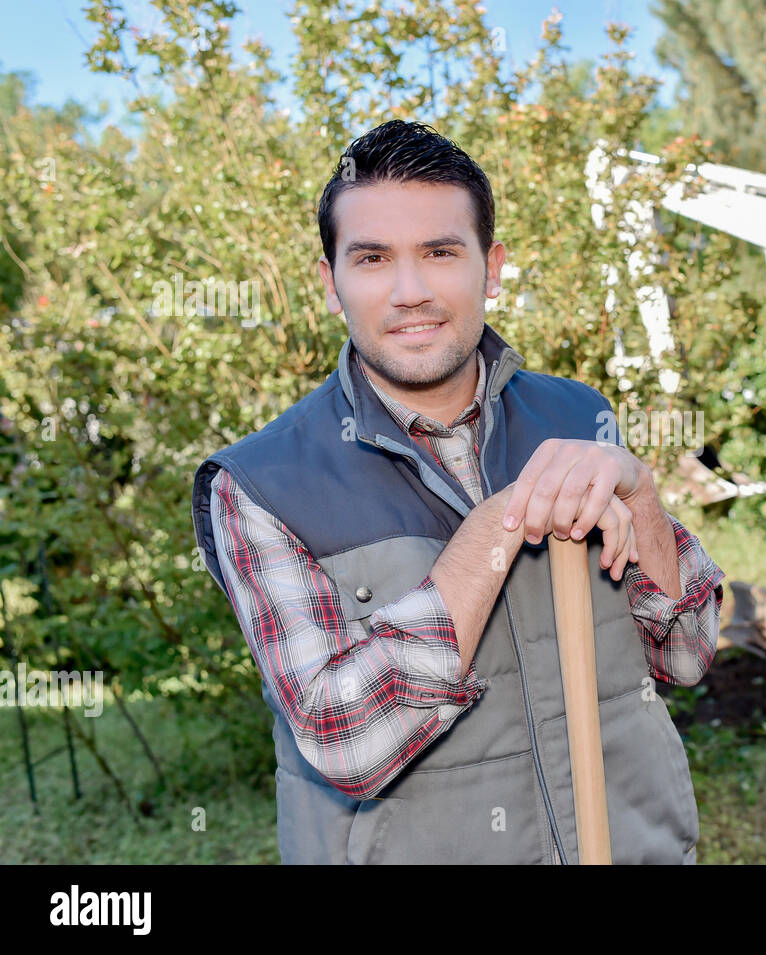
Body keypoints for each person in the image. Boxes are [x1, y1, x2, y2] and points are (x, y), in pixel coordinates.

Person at [190, 120, 725, 864]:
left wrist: (641, 497)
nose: (411, 292)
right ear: (330, 281)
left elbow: (689, 656)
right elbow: (347, 742)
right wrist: (495, 529)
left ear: (491, 266)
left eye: (440, 252)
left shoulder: (577, 414)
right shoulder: (260, 484)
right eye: (372, 259)